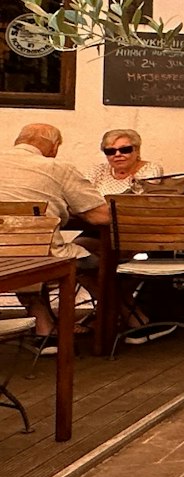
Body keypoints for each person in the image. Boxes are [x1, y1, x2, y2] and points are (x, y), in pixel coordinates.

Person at [0, 123, 108, 341]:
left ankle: (44, 326)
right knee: (93, 261)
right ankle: (115, 318)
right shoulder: (57, 168)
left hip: (6, 257)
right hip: (40, 256)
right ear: (54, 146)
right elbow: (99, 216)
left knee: (19, 251)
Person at [86, 128, 164, 195]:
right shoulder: (97, 171)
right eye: (110, 151)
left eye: (124, 150)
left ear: (137, 151)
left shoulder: (150, 169)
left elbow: (138, 198)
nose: (117, 154)